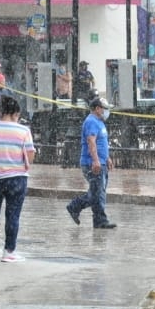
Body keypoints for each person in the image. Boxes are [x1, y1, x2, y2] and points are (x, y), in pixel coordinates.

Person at [0, 95, 36, 262]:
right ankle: (8, 252)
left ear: (1, 111)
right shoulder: (23, 131)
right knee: (13, 215)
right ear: (16, 113)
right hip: (17, 178)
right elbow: (30, 157)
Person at [66, 97, 116, 229]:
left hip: (101, 162)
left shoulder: (99, 122)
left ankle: (75, 207)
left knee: (97, 192)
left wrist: (107, 158)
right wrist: (95, 161)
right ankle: (100, 220)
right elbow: (91, 141)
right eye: (105, 109)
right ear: (98, 108)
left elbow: (102, 143)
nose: (107, 111)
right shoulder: (91, 122)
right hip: (91, 163)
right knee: (97, 192)